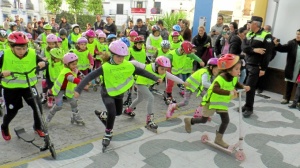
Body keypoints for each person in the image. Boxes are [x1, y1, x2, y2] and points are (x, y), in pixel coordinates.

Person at [74, 40, 162, 149]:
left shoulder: (127, 65)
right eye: (118, 56)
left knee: (119, 112)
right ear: (112, 54)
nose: (121, 59)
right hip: (107, 93)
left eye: (123, 56)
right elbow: (89, 77)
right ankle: (108, 133)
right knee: (112, 112)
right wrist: (78, 89)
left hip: (119, 93)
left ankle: (103, 115)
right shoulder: (105, 67)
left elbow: (142, 72)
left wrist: (155, 77)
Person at [184, 54, 250, 148]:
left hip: (221, 103)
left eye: (239, 68)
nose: (239, 71)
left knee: (226, 120)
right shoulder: (220, 78)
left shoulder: (234, 77)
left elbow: (236, 83)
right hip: (210, 102)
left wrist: (243, 86)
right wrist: (229, 92)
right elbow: (215, 89)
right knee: (204, 119)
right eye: (237, 69)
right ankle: (189, 121)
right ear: (229, 69)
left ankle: (218, 139)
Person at [0, 31, 47, 141]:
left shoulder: (32, 53)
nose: (22, 51)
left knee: (37, 107)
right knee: (12, 111)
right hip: (10, 89)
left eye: (24, 48)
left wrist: (43, 63)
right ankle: (4, 127)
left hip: (28, 87)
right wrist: (1, 74)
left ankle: (37, 127)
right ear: (11, 47)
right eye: (18, 49)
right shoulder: (4, 54)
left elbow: (43, 63)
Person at [124, 56, 187, 130]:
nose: (163, 71)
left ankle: (128, 110)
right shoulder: (147, 67)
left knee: (139, 99)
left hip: (145, 85)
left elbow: (173, 77)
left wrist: (183, 82)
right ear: (156, 66)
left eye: (165, 69)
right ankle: (149, 120)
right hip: (140, 84)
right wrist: (124, 64)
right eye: (162, 69)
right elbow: (135, 63)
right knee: (151, 98)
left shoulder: (164, 73)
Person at [241, 16, 273, 118]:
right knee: (247, 86)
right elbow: (243, 47)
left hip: (256, 66)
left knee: (250, 87)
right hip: (248, 63)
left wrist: (263, 68)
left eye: (250, 23)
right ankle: (246, 105)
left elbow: (267, 54)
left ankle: (249, 108)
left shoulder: (266, 36)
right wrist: (254, 50)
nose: (248, 25)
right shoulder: (249, 34)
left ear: (255, 24)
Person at [46, 52, 85, 124]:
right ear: (67, 64)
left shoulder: (74, 69)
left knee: (74, 102)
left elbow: (80, 74)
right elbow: (71, 78)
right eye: (73, 64)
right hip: (59, 90)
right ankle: (48, 118)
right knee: (58, 106)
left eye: (76, 64)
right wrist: (82, 82)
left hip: (67, 90)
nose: (75, 66)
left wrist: (85, 78)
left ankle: (75, 117)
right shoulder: (66, 71)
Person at [274, 29, 300, 106]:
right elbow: (283, 48)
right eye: (297, 34)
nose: (297, 36)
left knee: (299, 86)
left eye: (299, 34)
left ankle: (297, 101)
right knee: (289, 83)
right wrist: (277, 45)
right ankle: (286, 98)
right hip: (292, 67)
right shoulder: (292, 43)